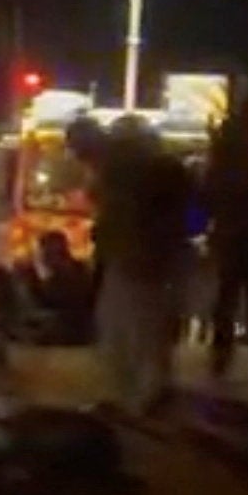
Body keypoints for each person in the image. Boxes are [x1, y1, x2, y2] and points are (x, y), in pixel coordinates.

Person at [90, 117, 194, 414]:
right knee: (138, 338)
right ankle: (140, 399)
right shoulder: (164, 171)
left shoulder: (143, 175)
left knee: (132, 338)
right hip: (142, 266)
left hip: (140, 267)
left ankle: (140, 402)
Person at [200, 85, 248, 381]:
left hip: (234, 228)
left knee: (228, 293)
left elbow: (210, 188)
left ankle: (221, 352)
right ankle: (234, 352)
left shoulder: (229, 144)